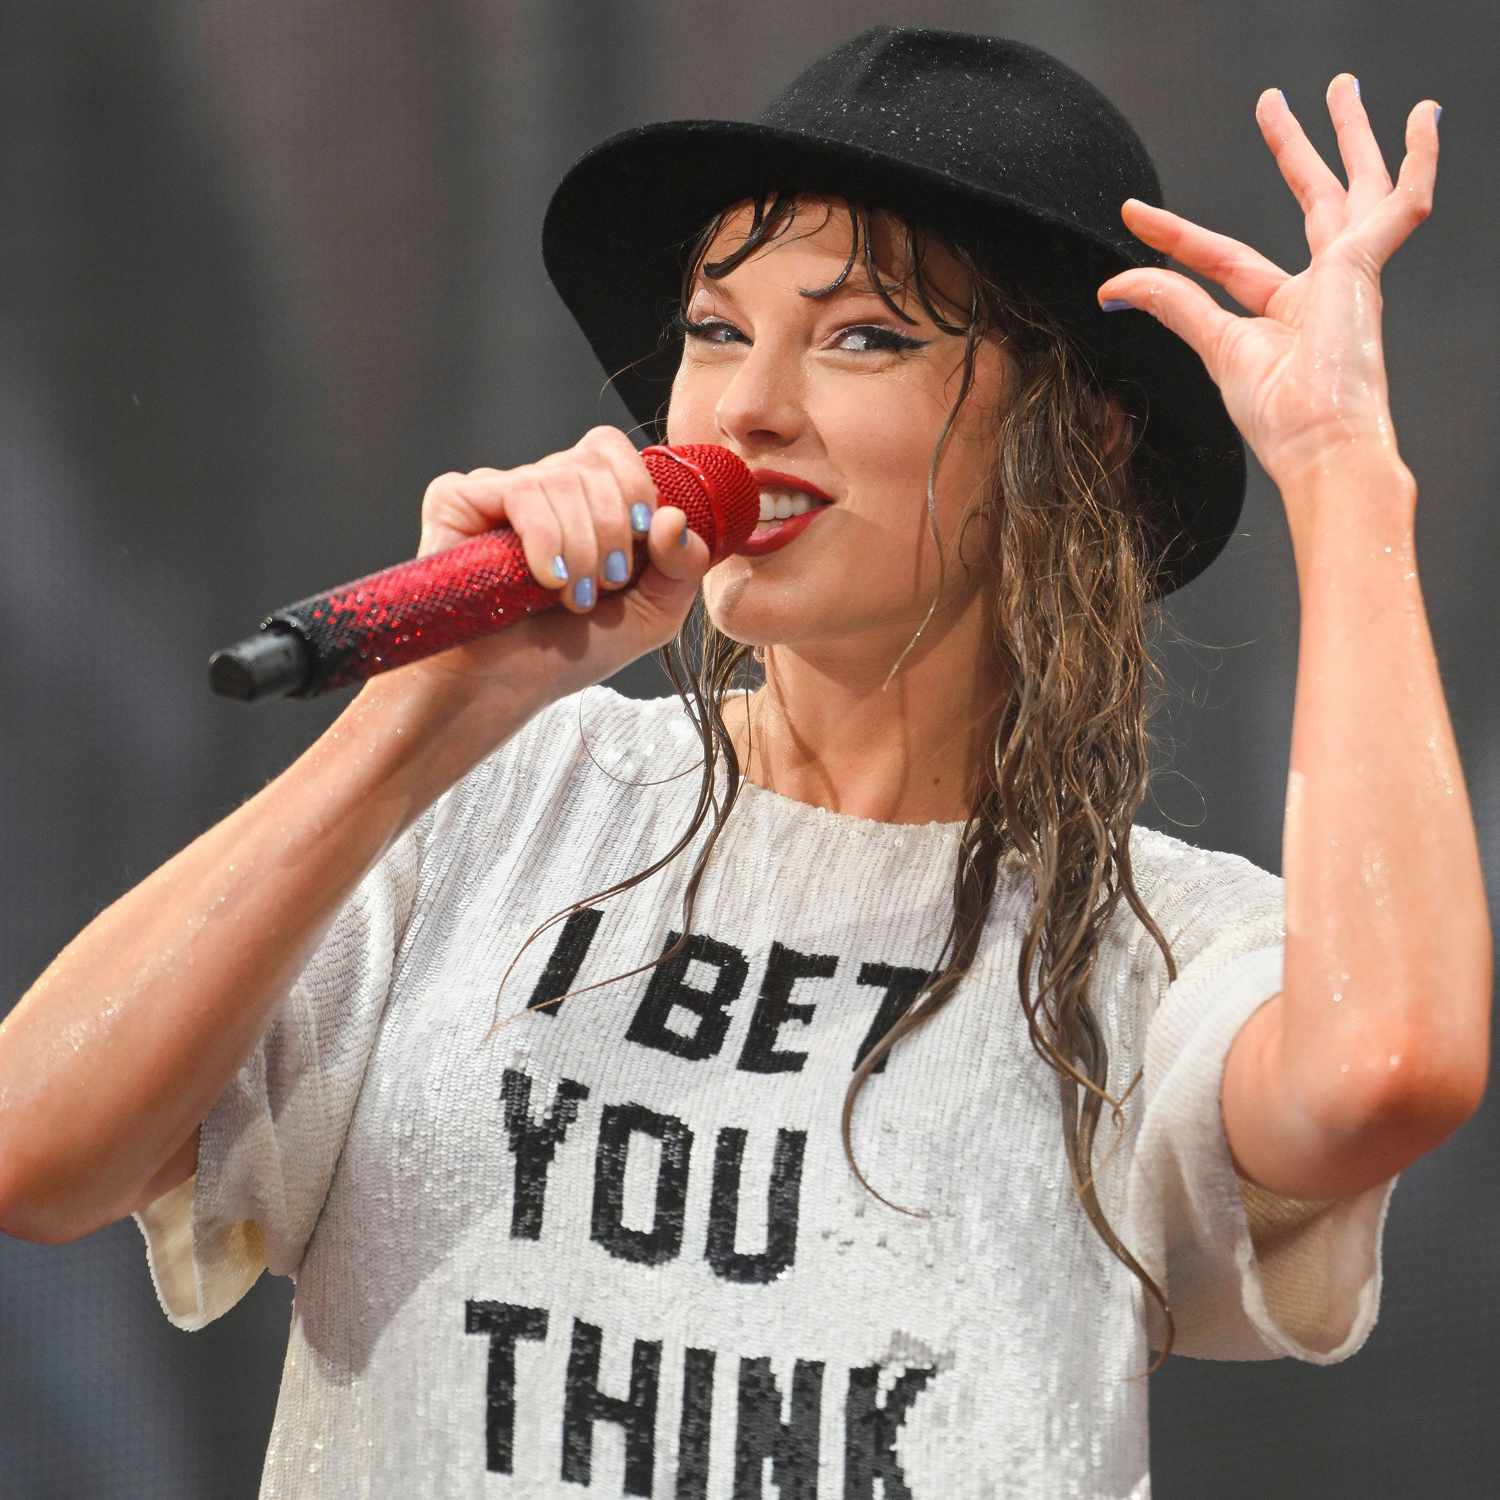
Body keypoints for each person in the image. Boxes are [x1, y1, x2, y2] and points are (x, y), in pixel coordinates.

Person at [0, 25, 1486, 1500]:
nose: (747, 403)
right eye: (717, 330)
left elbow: (1391, 1070)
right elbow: (36, 1153)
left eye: (863, 337)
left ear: (1082, 435)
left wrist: (1344, 471)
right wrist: (419, 728)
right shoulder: (495, 793)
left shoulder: (1149, 950)